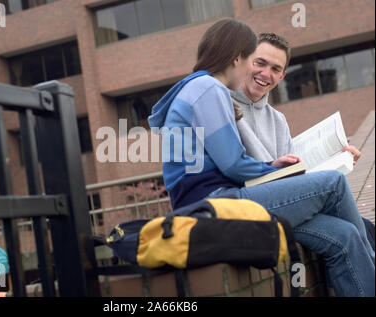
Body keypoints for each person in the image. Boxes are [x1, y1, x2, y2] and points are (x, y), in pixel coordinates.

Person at [148, 19, 374, 297]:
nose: (254, 72)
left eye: (275, 68)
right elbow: (233, 163)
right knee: (334, 183)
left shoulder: (203, 89)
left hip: (220, 202)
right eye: (254, 62)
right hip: (215, 205)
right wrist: (272, 166)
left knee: (345, 235)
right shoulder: (208, 89)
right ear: (238, 58)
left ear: (282, 76)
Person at [231, 32, 375, 251]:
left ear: (282, 76)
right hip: (257, 207)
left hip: (292, 201)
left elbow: (296, 173)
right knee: (348, 232)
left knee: (365, 229)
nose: (265, 73)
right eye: (260, 63)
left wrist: (338, 159)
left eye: (275, 69)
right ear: (243, 61)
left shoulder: (278, 120)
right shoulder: (224, 107)